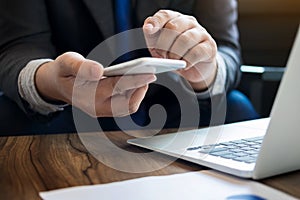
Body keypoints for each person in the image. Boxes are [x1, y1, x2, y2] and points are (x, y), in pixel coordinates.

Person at [0, 0, 258, 134]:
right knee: (7, 117)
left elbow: (225, 48)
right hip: (70, 109)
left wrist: (204, 70)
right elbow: (21, 46)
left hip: (174, 104)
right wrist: (50, 83)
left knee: (236, 107)